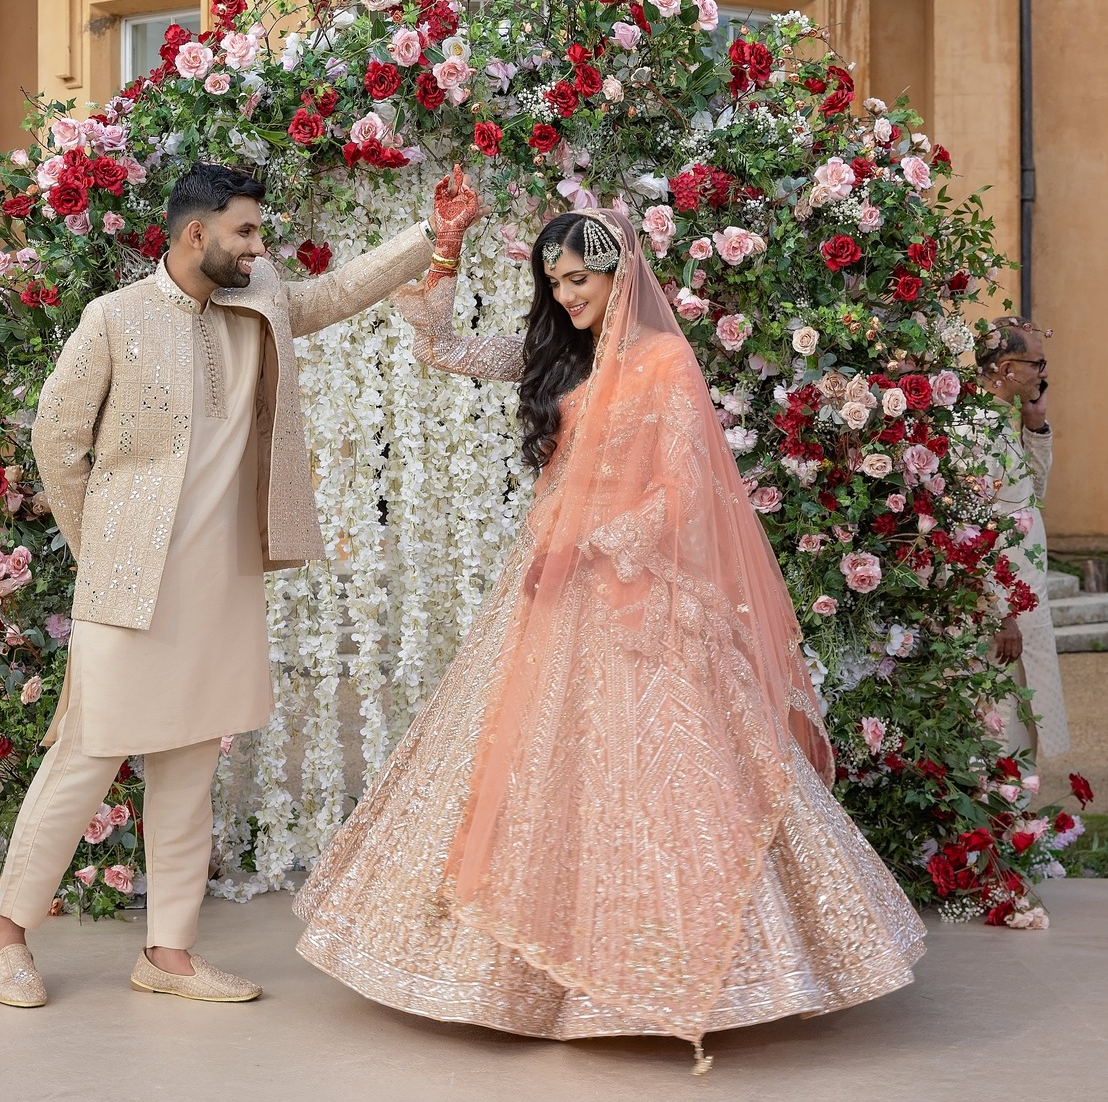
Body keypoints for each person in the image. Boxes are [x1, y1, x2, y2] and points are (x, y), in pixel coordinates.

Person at [294, 195, 924, 1066]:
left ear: (618, 270)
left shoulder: (664, 362)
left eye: (579, 277)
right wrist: (444, 251)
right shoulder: (558, 359)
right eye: (554, 281)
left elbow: (688, 494)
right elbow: (440, 349)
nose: (567, 294)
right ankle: (516, 977)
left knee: (665, 776)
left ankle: (676, 971)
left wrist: (594, 540)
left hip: (637, 596)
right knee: (530, 769)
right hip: (550, 592)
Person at [0, 162, 475, 1008]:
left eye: (259, 231)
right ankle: (5, 930)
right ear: (195, 234)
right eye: (245, 231)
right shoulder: (115, 319)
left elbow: (339, 291)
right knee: (88, 756)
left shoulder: (261, 294)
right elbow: (56, 436)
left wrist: (432, 236)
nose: (259, 245)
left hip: (223, 580)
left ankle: (168, 951)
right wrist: (98, 547)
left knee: (190, 762)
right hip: (129, 583)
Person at [976, 317, 1070, 758]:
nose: (1043, 374)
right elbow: (968, 530)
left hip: (1025, 593)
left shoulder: (999, 422)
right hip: (998, 606)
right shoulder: (972, 428)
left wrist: (1035, 428)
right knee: (998, 723)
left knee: (1022, 719)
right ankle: (996, 820)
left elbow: (1031, 497)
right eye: (1039, 363)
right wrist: (998, 612)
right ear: (1009, 367)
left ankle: (1017, 819)